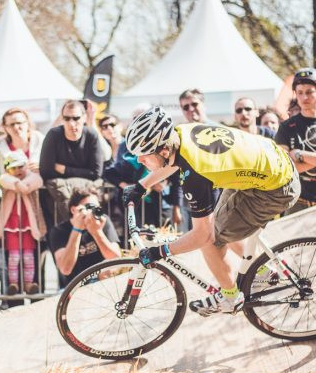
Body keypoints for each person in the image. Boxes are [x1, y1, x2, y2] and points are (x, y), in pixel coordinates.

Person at [122, 106, 300, 316]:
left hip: (276, 187)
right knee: (219, 223)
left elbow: (201, 236)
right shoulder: (180, 134)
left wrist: (159, 252)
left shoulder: (196, 174)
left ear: (163, 150)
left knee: (211, 239)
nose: (139, 161)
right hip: (270, 167)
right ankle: (261, 272)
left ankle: (231, 297)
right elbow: (176, 161)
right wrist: (143, 185)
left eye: (143, 156)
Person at [39, 100, 104, 225]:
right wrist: (83, 172)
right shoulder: (53, 135)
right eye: (67, 118)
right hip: (57, 200)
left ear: (85, 118)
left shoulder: (91, 135)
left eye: (76, 118)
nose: (71, 123)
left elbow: (96, 173)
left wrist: (63, 169)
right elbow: (46, 171)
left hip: (86, 196)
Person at [0, 151, 46, 295]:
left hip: (29, 225)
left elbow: (37, 180)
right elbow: (4, 180)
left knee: (28, 257)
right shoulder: (7, 180)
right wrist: (17, 184)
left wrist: (24, 186)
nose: (17, 171)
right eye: (13, 168)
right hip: (11, 226)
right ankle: (14, 284)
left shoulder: (32, 178)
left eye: (20, 166)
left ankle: (29, 284)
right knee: (14, 258)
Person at [50, 187, 121, 288]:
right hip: (76, 286)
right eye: (89, 207)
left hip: (103, 284)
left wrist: (97, 232)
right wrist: (77, 229)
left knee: (109, 269)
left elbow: (116, 258)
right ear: (74, 210)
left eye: (96, 207)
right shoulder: (59, 231)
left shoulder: (102, 222)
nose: (92, 211)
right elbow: (65, 269)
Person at [275, 68, 316, 214]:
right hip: (297, 202)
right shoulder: (286, 127)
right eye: (300, 92)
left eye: (309, 92)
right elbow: (285, 168)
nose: (304, 97)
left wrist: (299, 154)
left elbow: (295, 164)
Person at [0, 107, 45, 173]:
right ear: (5, 127)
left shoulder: (41, 141)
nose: (16, 127)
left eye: (19, 123)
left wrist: (43, 167)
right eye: (11, 125)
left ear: (27, 123)